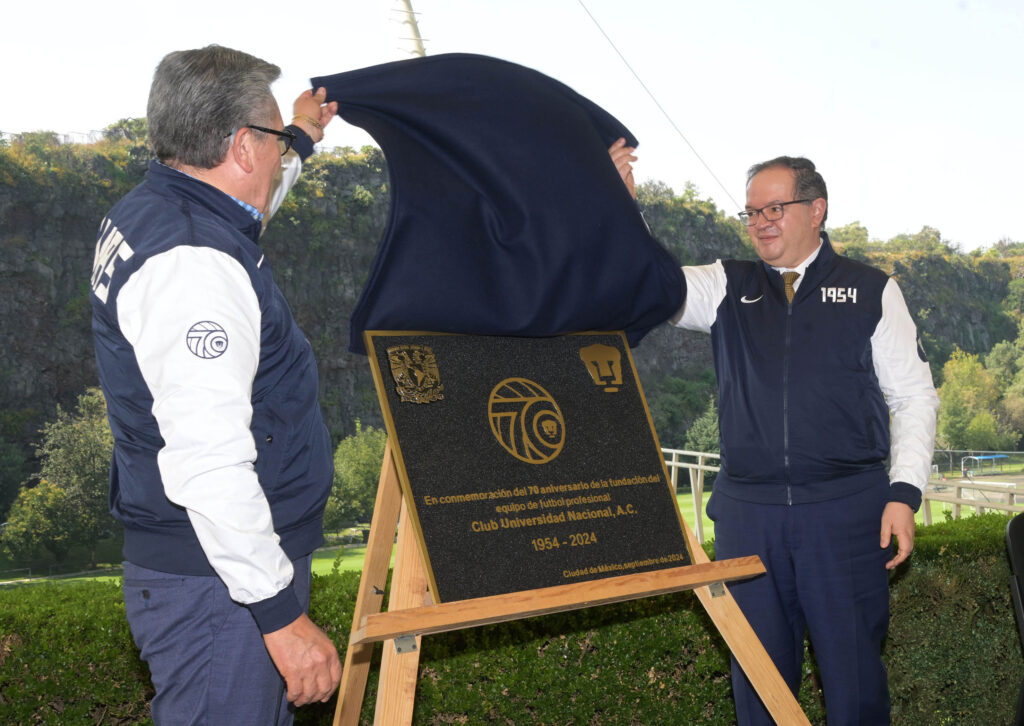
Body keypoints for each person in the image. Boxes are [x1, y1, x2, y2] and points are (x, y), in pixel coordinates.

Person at [610, 145, 938, 725]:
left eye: (774, 209)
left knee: (856, 687)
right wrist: (620, 205)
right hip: (748, 518)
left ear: (817, 209)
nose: (760, 222)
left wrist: (904, 493)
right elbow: (650, 283)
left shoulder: (871, 289)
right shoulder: (726, 284)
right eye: (752, 212)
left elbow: (913, 397)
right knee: (758, 686)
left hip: (846, 515)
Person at [89, 45, 341, 725]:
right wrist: (278, 615)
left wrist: (301, 135)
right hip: (220, 587)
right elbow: (208, 461)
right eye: (274, 138)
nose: (280, 152)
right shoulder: (193, 266)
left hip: (212, 570)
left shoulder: (159, 208)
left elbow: (246, 205)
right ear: (241, 146)